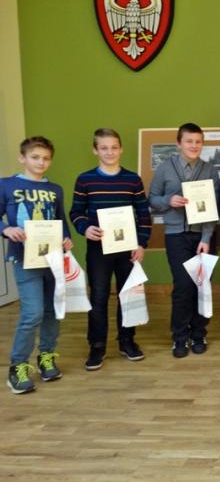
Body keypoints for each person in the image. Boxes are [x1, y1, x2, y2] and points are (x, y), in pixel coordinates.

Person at [69, 128, 152, 371]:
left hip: (128, 249)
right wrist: (85, 228)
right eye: (104, 148)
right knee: (98, 297)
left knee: (129, 295)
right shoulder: (85, 179)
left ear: (121, 149)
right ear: (95, 150)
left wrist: (141, 243)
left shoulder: (133, 179)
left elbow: (144, 215)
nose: (109, 152)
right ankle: (97, 346)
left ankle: (127, 341)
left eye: (114, 147)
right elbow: (76, 212)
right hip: (98, 249)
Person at [1, 136, 73, 394]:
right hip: (25, 259)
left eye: (46, 158)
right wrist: (6, 228)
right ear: (22, 158)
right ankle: (17, 367)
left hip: (53, 259)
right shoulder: (7, 185)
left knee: (52, 311)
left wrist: (67, 239)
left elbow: (60, 219)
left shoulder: (55, 189)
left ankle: (47, 357)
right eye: (35, 157)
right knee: (33, 313)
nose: (41, 162)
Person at [148, 123, 220, 358]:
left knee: (201, 286)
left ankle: (198, 334)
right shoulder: (164, 168)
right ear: (178, 143)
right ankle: (179, 337)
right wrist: (168, 200)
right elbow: (152, 199)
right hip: (176, 236)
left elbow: (213, 208)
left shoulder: (210, 170)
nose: (194, 145)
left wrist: (206, 237)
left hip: (203, 237)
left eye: (198, 141)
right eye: (189, 141)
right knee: (183, 287)